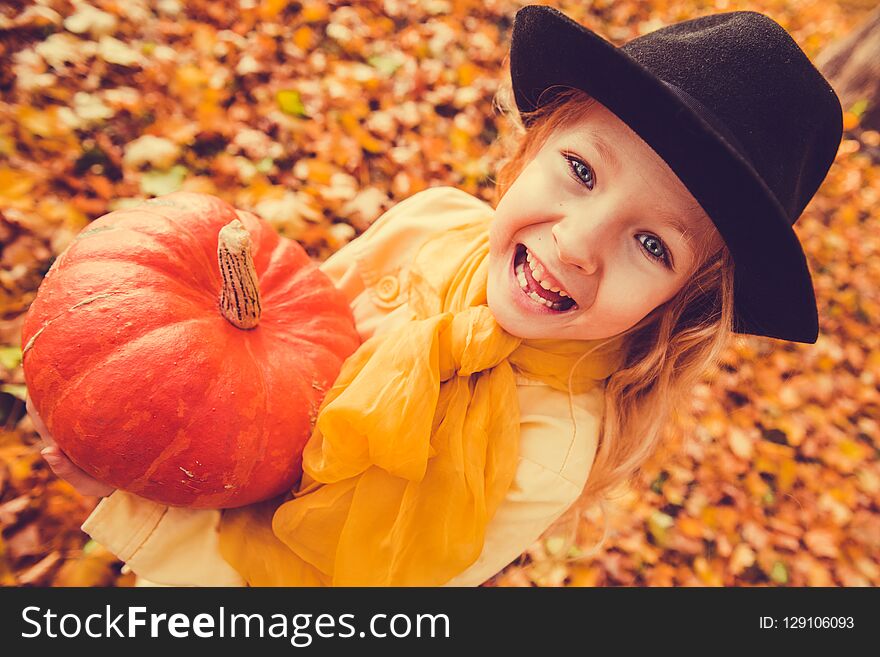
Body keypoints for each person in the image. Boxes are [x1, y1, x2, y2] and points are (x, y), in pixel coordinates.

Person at [28, 5, 842, 586]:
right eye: (583, 171)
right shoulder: (432, 223)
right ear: (532, 147)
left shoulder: (546, 444)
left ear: (682, 304)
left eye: (652, 243)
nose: (576, 242)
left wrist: (135, 515)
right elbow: (274, 351)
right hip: (208, 480)